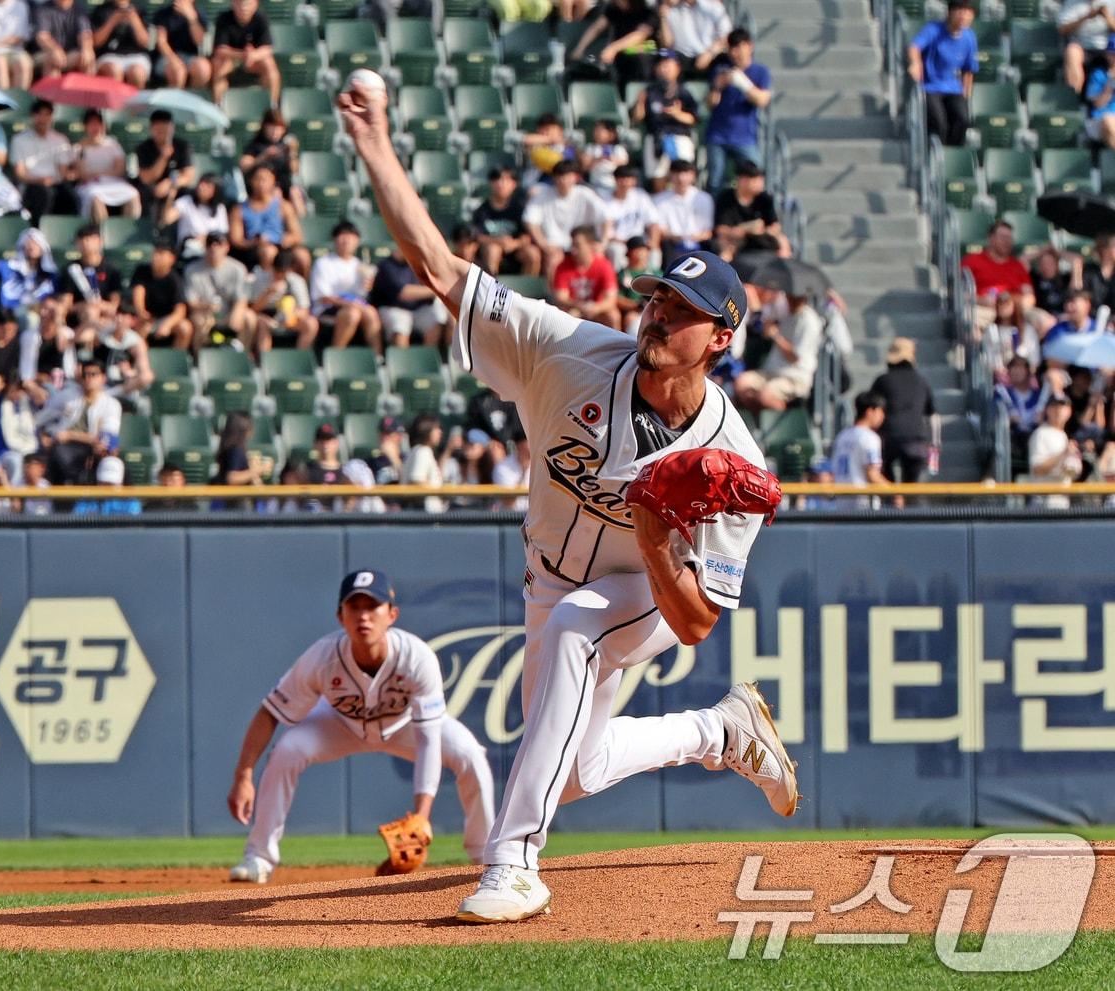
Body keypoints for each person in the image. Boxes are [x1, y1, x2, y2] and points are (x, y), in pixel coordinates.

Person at [336, 74, 796, 923]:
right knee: (574, 766)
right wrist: (374, 146)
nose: (658, 313)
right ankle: (721, 731)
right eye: (658, 294)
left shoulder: (733, 457)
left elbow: (697, 622)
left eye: (684, 308)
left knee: (586, 625)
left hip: (649, 589)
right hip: (547, 573)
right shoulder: (567, 350)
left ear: (721, 338)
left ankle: (512, 863)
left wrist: (656, 532)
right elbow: (441, 270)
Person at [227, 569, 495, 885]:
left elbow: (428, 740)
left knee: (470, 754)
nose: (363, 616)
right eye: (354, 607)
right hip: (340, 725)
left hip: (405, 726)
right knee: (288, 749)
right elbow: (270, 711)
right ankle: (258, 857)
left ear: (392, 615)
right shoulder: (322, 658)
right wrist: (244, 775)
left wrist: (422, 815)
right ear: (340, 616)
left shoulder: (416, 658)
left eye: (373, 606)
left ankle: (488, 857)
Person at [869, 337, 940, 500]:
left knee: (886, 481)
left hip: (888, 440)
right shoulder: (922, 381)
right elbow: (932, 415)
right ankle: (908, 510)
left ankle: (893, 503)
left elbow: (871, 408)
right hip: (916, 440)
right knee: (911, 487)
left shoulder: (882, 381)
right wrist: (934, 446)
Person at [703, 28, 771, 192]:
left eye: (739, 47)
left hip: (744, 137)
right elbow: (710, 104)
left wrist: (743, 83)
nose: (735, 53)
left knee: (756, 175)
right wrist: (716, 87)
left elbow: (762, 100)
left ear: (749, 46)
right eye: (732, 48)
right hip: (718, 135)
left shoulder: (760, 72)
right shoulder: (720, 69)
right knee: (715, 182)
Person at [732, 292, 822, 411]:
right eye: (789, 296)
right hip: (771, 372)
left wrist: (776, 336)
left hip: (794, 376)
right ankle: (757, 423)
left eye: (793, 297)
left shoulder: (810, 321)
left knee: (766, 395)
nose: (789, 299)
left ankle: (783, 425)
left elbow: (795, 357)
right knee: (741, 383)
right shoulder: (785, 315)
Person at [908, 0, 978, 148]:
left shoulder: (969, 37)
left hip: (953, 87)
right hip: (931, 87)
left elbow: (969, 69)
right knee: (939, 124)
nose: (964, 16)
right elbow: (914, 47)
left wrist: (966, 92)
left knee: (963, 120)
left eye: (967, 12)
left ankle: (952, 154)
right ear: (949, 13)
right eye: (960, 11)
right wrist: (916, 63)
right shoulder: (933, 29)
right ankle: (934, 155)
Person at [523, 161, 610, 279]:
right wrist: (544, 245)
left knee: (598, 256)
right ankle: (553, 297)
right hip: (553, 245)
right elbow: (531, 222)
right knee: (554, 261)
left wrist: (603, 244)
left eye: (567, 176)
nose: (563, 180)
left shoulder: (585, 194)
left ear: (576, 177)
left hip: (582, 244)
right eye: (559, 176)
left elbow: (607, 217)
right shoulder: (542, 195)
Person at [42, 359, 121, 483]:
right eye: (85, 374)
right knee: (58, 452)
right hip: (65, 446)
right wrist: (47, 433)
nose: (88, 378)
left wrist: (71, 435)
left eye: (93, 374)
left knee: (113, 462)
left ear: (103, 378)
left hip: (94, 449)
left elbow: (107, 438)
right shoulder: (67, 396)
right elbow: (43, 418)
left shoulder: (111, 404)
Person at [309, 220, 380, 350]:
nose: (347, 240)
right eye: (342, 235)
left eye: (351, 236)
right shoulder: (323, 263)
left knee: (371, 313)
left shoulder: (359, 265)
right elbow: (323, 297)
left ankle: (378, 358)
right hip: (328, 308)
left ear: (357, 241)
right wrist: (349, 304)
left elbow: (361, 294)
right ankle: (336, 354)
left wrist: (368, 286)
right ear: (334, 239)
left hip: (355, 305)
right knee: (352, 314)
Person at [184, 232, 258, 351]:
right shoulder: (192, 270)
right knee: (200, 321)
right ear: (205, 247)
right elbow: (191, 303)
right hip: (204, 312)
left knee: (249, 317)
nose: (214, 248)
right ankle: (200, 360)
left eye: (219, 244)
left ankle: (244, 355)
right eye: (210, 244)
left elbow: (242, 298)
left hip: (229, 311)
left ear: (227, 247)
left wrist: (236, 313)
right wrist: (207, 307)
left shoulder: (237, 268)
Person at [631, 51, 698, 182]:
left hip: (679, 137)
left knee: (682, 178)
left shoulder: (684, 93)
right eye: (661, 65)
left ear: (677, 68)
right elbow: (637, 118)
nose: (664, 69)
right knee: (658, 180)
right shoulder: (649, 92)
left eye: (668, 65)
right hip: (656, 137)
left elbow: (693, 119)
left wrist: (677, 114)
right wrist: (640, 102)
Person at [568, 0, 671, 84]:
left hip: (645, 52)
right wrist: (580, 48)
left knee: (638, 58)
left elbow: (639, 35)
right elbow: (597, 28)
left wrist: (613, 48)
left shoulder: (648, 13)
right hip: (621, 54)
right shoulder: (614, 9)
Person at [229, 164, 306, 272]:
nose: (261, 183)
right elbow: (236, 240)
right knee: (268, 252)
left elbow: (297, 235)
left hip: (280, 245)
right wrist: (254, 242)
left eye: (265, 179)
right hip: (252, 249)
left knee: (303, 256)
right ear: (251, 181)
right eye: (258, 179)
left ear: (273, 181)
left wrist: (285, 239)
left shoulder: (284, 206)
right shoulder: (239, 209)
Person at [370, 244, 447, 348]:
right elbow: (403, 293)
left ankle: (426, 360)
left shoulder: (416, 265)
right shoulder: (386, 266)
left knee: (436, 320)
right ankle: (403, 362)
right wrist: (436, 290)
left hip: (417, 309)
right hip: (393, 308)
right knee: (400, 327)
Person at [10, 100, 76, 221]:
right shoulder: (19, 140)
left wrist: (53, 180)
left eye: (47, 114)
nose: (43, 119)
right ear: (32, 116)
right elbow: (20, 173)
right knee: (44, 194)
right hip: (31, 184)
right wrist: (39, 180)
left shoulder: (60, 139)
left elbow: (62, 171)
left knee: (71, 196)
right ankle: (39, 230)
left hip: (55, 183)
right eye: (39, 114)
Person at [74, 108, 142, 221]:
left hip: (114, 183)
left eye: (98, 124)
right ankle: (104, 231)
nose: (95, 128)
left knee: (133, 194)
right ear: (85, 127)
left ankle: (125, 230)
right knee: (96, 199)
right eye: (91, 124)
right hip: (90, 186)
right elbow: (82, 174)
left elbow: (120, 170)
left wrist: (99, 174)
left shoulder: (113, 144)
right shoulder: (79, 148)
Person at [471, 167, 540, 276]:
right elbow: (478, 236)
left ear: (514, 184)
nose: (501, 184)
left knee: (533, 254)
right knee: (493, 250)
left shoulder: (519, 208)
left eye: (507, 180)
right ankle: (493, 290)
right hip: (491, 247)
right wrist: (498, 241)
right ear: (491, 183)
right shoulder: (482, 210)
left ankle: (527, 289)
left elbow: (527, 236)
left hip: (516, 249)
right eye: (497, 179)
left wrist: (515, 243)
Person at [210, 0, 280, 106]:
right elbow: (220, 49)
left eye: (248, 4)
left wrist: (252, 55)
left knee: (270, 65)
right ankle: (219, 106)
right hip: (231, 59)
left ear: (256, 4)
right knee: (219, 66)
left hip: (253, 61)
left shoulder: (261, 19)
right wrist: (243, 55)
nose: (243, 7)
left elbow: (267, 49)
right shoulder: (224, 18)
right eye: (239, 3)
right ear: (233, 3)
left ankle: (271, 106)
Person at [551, 225, 620, 331]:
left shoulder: (604, 265)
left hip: (597, 308)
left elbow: (611, 298)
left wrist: (596, 308)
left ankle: (618, 346)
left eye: (578, 245)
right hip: (574, 308)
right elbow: (561, 297)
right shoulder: (563, 266)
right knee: (569, 315)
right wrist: (580, 306)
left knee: (613, 316)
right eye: (572, 245)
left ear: (591, 245)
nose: (574, 250)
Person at [712, 160, 784, 259]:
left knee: (782, 241)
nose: (760, 183)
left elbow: (775, 226)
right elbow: (721, 230)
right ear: (742, 180)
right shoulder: (726, 198)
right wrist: (745, 229)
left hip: (761, 238)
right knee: (725, 248)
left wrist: (761, 231)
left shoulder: (764, 198)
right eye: (756, 180)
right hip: (735, 240)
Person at [251, 247, 319, 351]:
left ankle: (300, 358)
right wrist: (269, 293)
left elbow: (304, 310)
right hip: (266, 315)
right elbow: (254, 309)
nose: (279, 274)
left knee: (311, 323)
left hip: (289, 316)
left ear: (290, 269)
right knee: (262, 324)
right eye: (277, 270)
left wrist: (290, 315)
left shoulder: (297, 281)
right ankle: (264, 360)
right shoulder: (261, 277)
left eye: (283, 271)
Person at [131, 240, 192, 349]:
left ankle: (175, 360)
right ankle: (141, 361)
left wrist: (167, 324)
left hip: (166, 319)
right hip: (146, 318)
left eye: (161, 254)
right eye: (156, 252)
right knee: (140, 327)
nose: (156, 257)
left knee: (185, 328)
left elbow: (180, 310)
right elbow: (138, 293)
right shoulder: (142, 271)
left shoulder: (175, 280)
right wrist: (142, 313)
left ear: (172, 259)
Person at [240, 109, 303, 215]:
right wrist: (263, 157)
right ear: (264, 127)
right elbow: (244, 166)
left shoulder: (285, 145)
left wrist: (292, 152)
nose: (275, 132)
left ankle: (302, 225)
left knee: (295, 193)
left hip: (285, 185)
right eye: (272, 127)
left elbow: (294, 170)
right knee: (276, 194)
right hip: (263, 187)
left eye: (279, 128)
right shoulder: (255, 145)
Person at [652, 158, 714, 265]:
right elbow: (659, 229)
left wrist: (695, 237)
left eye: (686, 173)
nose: (681, 178)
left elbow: (708, 231)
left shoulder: (704, 198)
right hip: (672, 242)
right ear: (670, 175)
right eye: (677, 173)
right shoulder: (659, 200)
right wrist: (676, 237)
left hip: (699, 242)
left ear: (693, 176)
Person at [134, 110, 193, 222]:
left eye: (166, 130)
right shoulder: (143, 148)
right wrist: (163, 157)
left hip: (175, 186)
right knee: (146, 192)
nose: (163, 134)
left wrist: (171, 183)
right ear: (152, 129)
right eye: (159, 131)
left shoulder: (182, 146)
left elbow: (188, 176)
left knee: (190, 194)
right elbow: (146, 178)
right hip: (152, 188)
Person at [830, 391, 886, 508]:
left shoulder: (842, 436)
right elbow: (872, 475)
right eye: (880, 411)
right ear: (870, 411)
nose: (882, 416)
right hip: (863, 504)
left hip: (841, 503)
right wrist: (896, 492)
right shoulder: (869, 438)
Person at [601, 165, 662, 271]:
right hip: (618, 242)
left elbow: (653, 223)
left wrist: (653, 242)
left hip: (639, 241)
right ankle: (621, 282)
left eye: (628, 178)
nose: (625, 182)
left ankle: (654, 281)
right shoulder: (605, 200)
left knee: (654, 252)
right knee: (616, 250)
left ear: (634, 181)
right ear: (615, 180)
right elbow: (606, 232)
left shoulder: (640, 196)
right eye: (622, 178)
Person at [1028, 396, 1083, 506]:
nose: (1058, 410)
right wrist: (1063, 454)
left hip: (1062, 500)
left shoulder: (1064, 436)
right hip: (1044, 501)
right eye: (1054, 406)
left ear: (1069, 411)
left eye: (1062, 407)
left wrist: (1074, 465)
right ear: (1047, 410)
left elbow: (1073, 472)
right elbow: (1037, 469)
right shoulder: (1041, 434)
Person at [167, 172, 230, 258]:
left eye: (208, 185)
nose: (201, 186)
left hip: (212, 252)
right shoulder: (185, 202)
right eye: (201, 182)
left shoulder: (220, 208)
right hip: (189, 251)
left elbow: (223, 233)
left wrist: (206, 239)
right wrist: (170, 196)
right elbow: (167, 218)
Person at [661, 0, 731, 77]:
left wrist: (710, 53)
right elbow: (668, 44)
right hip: (682, 60)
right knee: (663, 61)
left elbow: (726, 35)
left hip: (711, 57)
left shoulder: (713, 7)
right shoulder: (672, 10)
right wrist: (663, 18)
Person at [91, 0, 152, 88]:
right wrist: (112, 21)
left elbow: (146, 43)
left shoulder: (140, 10)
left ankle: (136, 101)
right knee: (114, 71)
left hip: (136, 56)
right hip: (109, 55)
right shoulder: (101, 10)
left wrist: (135, 21)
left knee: (137, 73)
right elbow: (96, 42)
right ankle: (116, 101)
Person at [153, 0, 212, 90]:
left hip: (190, 56)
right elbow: (161, 43)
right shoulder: (163, 14)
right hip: (166, 57)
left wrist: (191, 18)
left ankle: (192, 100)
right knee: (178, 71)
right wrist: (174, 60)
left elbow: (199, 41)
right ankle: (175, 102)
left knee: (203, 69)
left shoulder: (199, 14)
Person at [1061, 0, 1115, 95]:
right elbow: (1062, 30)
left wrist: (1107, 17)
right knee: (1071, 51)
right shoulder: (1071, 2)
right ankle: (1075, 96)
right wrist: (1086, 17)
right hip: (1081, 46)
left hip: (1107, 47)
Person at [32, 0, 96, 78]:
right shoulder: (43, 9)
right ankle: (52, 89)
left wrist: (86, 49)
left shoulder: (79, 8)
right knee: (52, 59)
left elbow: (85, 34)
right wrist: (54, 49)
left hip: (70, 53)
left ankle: (86, 89)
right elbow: (42, 36)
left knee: (87, 58)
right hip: (45, 52)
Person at [403, 412, 446, 513]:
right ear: (426, 430)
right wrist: (440, 492)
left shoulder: (417, 450)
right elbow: (416, 481)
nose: (440, 432)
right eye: (436, 428)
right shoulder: (423, 451)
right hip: (424, 514)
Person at [73, 454, 143, 514]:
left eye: (112, 484)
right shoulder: (86, 501)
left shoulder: (130, 503)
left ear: (121, 484)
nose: (107, 487)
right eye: (104, 483)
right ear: (97, 481)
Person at [1087, 37, 1115, 148]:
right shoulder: (1098, 74)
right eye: (1113, 54)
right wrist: (1111, 83)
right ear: (1107, 55)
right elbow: (1098, 104)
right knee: (1109, 121)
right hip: (1099, 120)